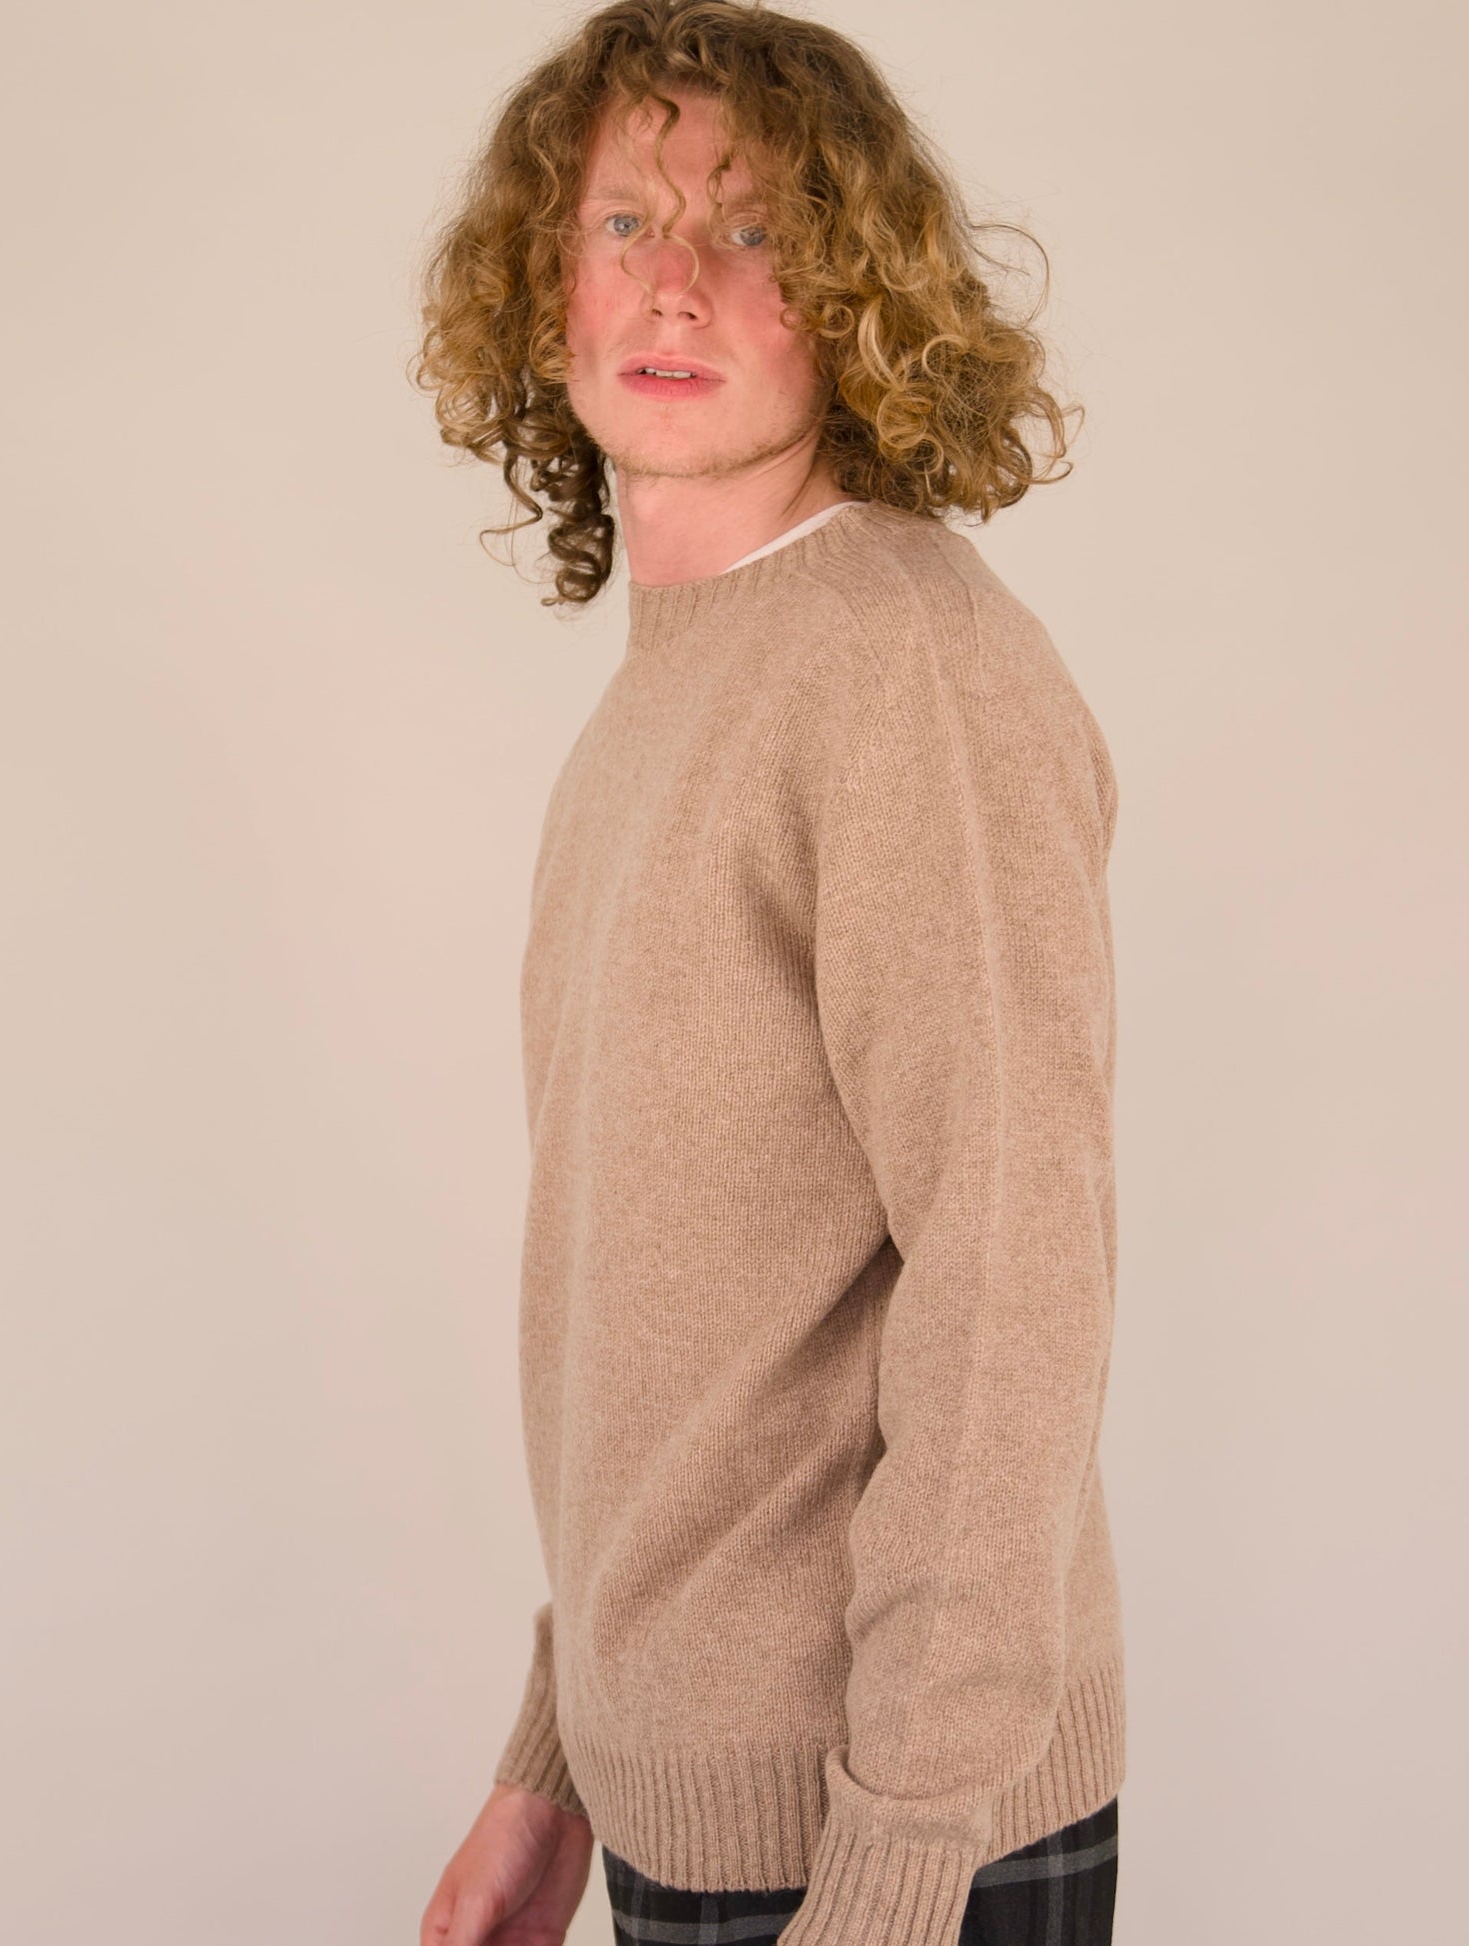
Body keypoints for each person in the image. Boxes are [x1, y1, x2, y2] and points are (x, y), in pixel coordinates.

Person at [411, 5, 1123, 1942]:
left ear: (858, 300)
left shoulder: (904, 663)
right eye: (621, 220)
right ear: (542, 281)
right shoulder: (671, 690)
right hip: (693, 1780)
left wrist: (901, 1857)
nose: (673, 280)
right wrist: (559, 1758)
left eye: (752, 231)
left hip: (881, 1822)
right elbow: (664, 1298)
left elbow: (1011, 1275)